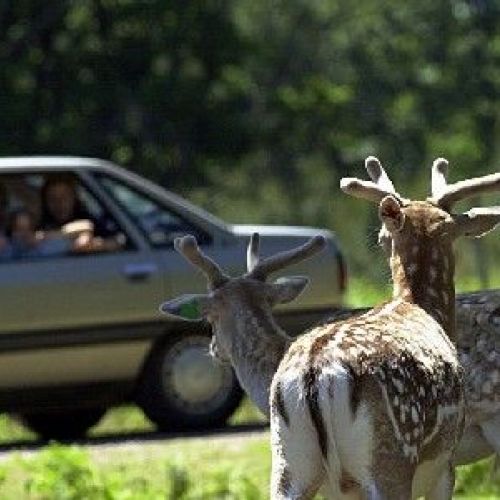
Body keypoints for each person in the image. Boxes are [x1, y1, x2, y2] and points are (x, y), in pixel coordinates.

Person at [39, 175, 122, 252]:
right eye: (52, 198)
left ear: (74, 198)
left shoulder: (88, 219)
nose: (59, 203)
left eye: (65, 197)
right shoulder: (40, 222)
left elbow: (117, 242)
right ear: (45, 202)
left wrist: (93, 245)